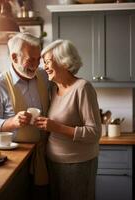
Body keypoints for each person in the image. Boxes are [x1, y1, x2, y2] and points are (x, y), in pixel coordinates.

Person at [34, 39, 101, 200]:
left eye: (48, 62)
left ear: (64, 61)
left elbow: (94, 132)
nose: (45, 67)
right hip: (53, 162)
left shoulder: (83, 88)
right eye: (44, 63)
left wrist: (57, 127)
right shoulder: (54, 89)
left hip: (77, 165)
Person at [0, 32, 50, 193]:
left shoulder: (43, 75)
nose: (36, 65)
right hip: (16, 160)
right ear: (14, 57)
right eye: (30, 59)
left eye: (38, 59)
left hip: (45, 153)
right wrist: (12, 122)